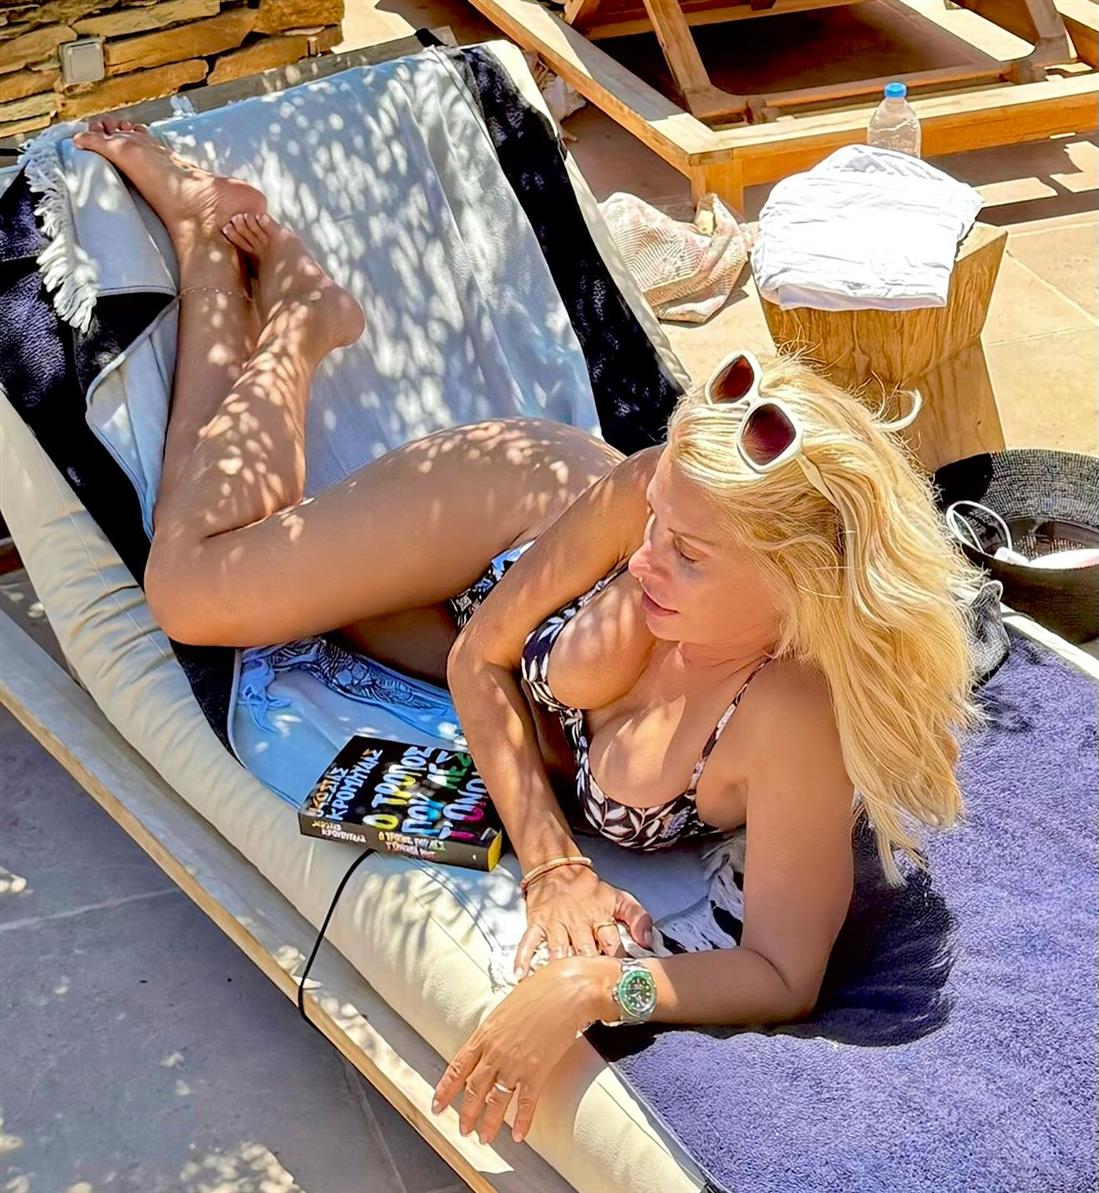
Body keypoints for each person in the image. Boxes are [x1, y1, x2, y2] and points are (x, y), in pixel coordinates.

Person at [74, 120, 979, 1150]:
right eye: (656, 524)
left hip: (464, 629)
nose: (646, 554)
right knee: (191, 589)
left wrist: (598, 984)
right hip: (503, 514)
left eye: (687, 554)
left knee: (260, 570)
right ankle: (250, 278)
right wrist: (553, 865)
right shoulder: (649, 492)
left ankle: (278, 295)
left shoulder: (791, 720)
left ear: (796, 592)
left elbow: (780, 973)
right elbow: (482, 654)